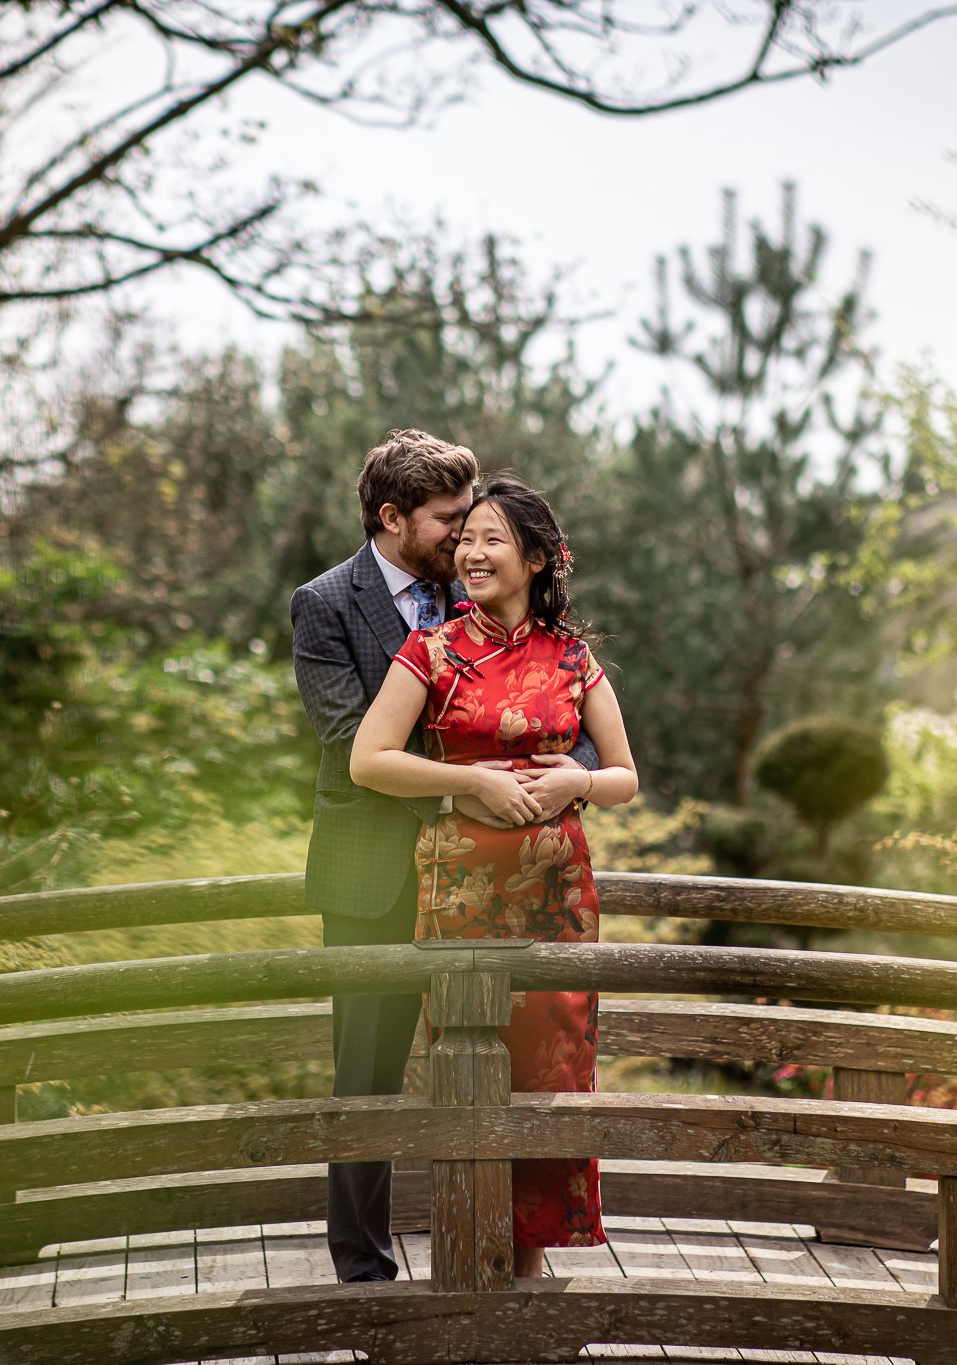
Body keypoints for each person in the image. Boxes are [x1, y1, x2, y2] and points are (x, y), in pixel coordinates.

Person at [291, 432, 600, 1283]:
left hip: (490, 876)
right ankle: (363, 1265)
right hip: (376, 873)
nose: (464, 538)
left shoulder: (481, 602)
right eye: (449, 521)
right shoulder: (324, 604)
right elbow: (350, 736)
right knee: (369, 1070)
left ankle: (493, 1246)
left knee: (503, 1058)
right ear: (392, 519)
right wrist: (467, 788)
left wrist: (559, 777)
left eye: (475, 523)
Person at [349, 474, 638, 1279]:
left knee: (553, 1066)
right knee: (473, 1069)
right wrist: (472, 782)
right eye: (465, 538)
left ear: (538, 558)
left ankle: (529, 1262)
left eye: (491, 540)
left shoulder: (574, 657)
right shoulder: (433, 650)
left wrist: (574, 782)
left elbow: (625, 776)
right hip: (463, 898)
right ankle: (473, 1252)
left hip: (557, 900)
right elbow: (368, 759)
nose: (470, 553)